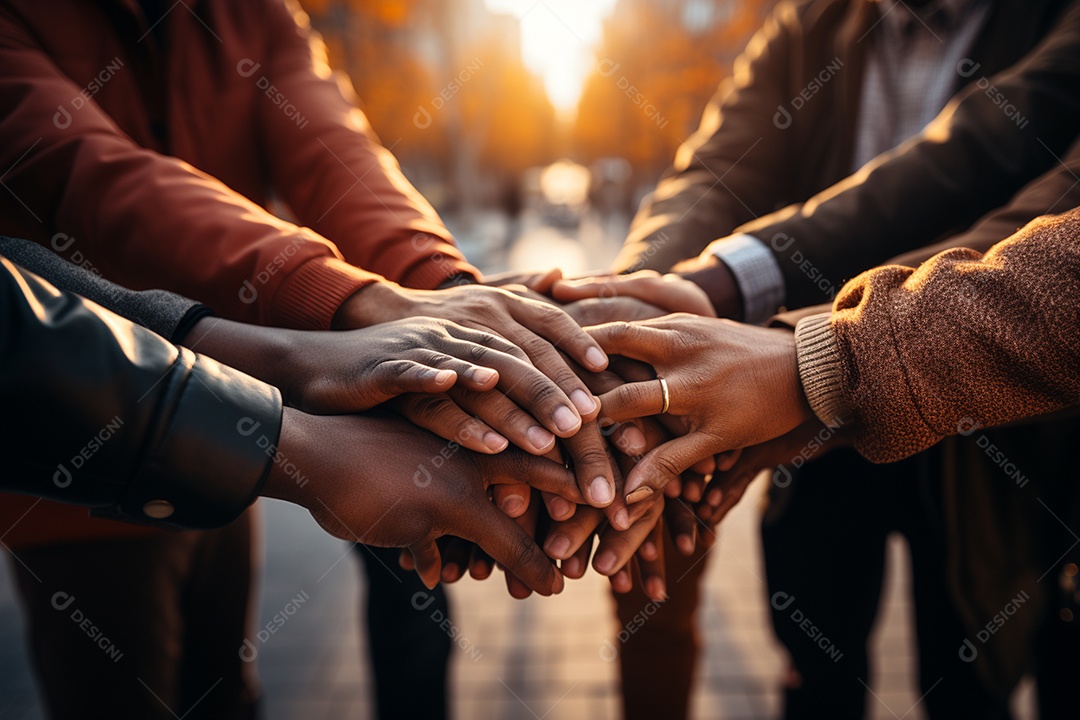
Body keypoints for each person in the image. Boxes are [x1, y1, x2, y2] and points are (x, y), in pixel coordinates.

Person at [0, 1, 625, 717]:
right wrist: (359, 304)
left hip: (224, 423)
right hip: (69, 451)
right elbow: (93, 175)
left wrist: (444, 293)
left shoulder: (250, 13)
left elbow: (336, 156)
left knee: (227, 696)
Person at [551, 0, 1080, 716]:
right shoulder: (812, 24)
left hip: (982, 424)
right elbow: (716, 168)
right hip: (801, 404)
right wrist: (634, 303)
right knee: (815, 665)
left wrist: (802, 341)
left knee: (968, 676)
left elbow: (1000, 188)